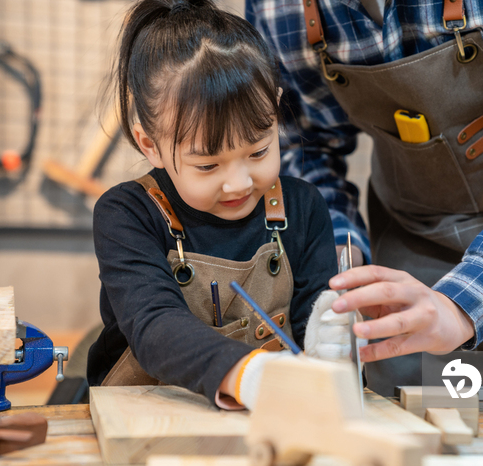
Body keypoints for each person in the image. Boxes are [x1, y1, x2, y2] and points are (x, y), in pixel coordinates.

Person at [245, 0, 483, 393]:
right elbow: (304, 146)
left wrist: (462, 303)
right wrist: (335, 252)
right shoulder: (278, 8)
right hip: (407, 262)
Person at [86, 0, 348, 409]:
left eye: (259, 152)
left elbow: (315, 323)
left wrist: (332, 340)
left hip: (268, 423)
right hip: (145, 419)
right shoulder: (126, 214)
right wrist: (251, 374)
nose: (239, 182)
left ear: (276, 111)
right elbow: (154, 326)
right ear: (149, 145)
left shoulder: (302, 207)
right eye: (208, 164)